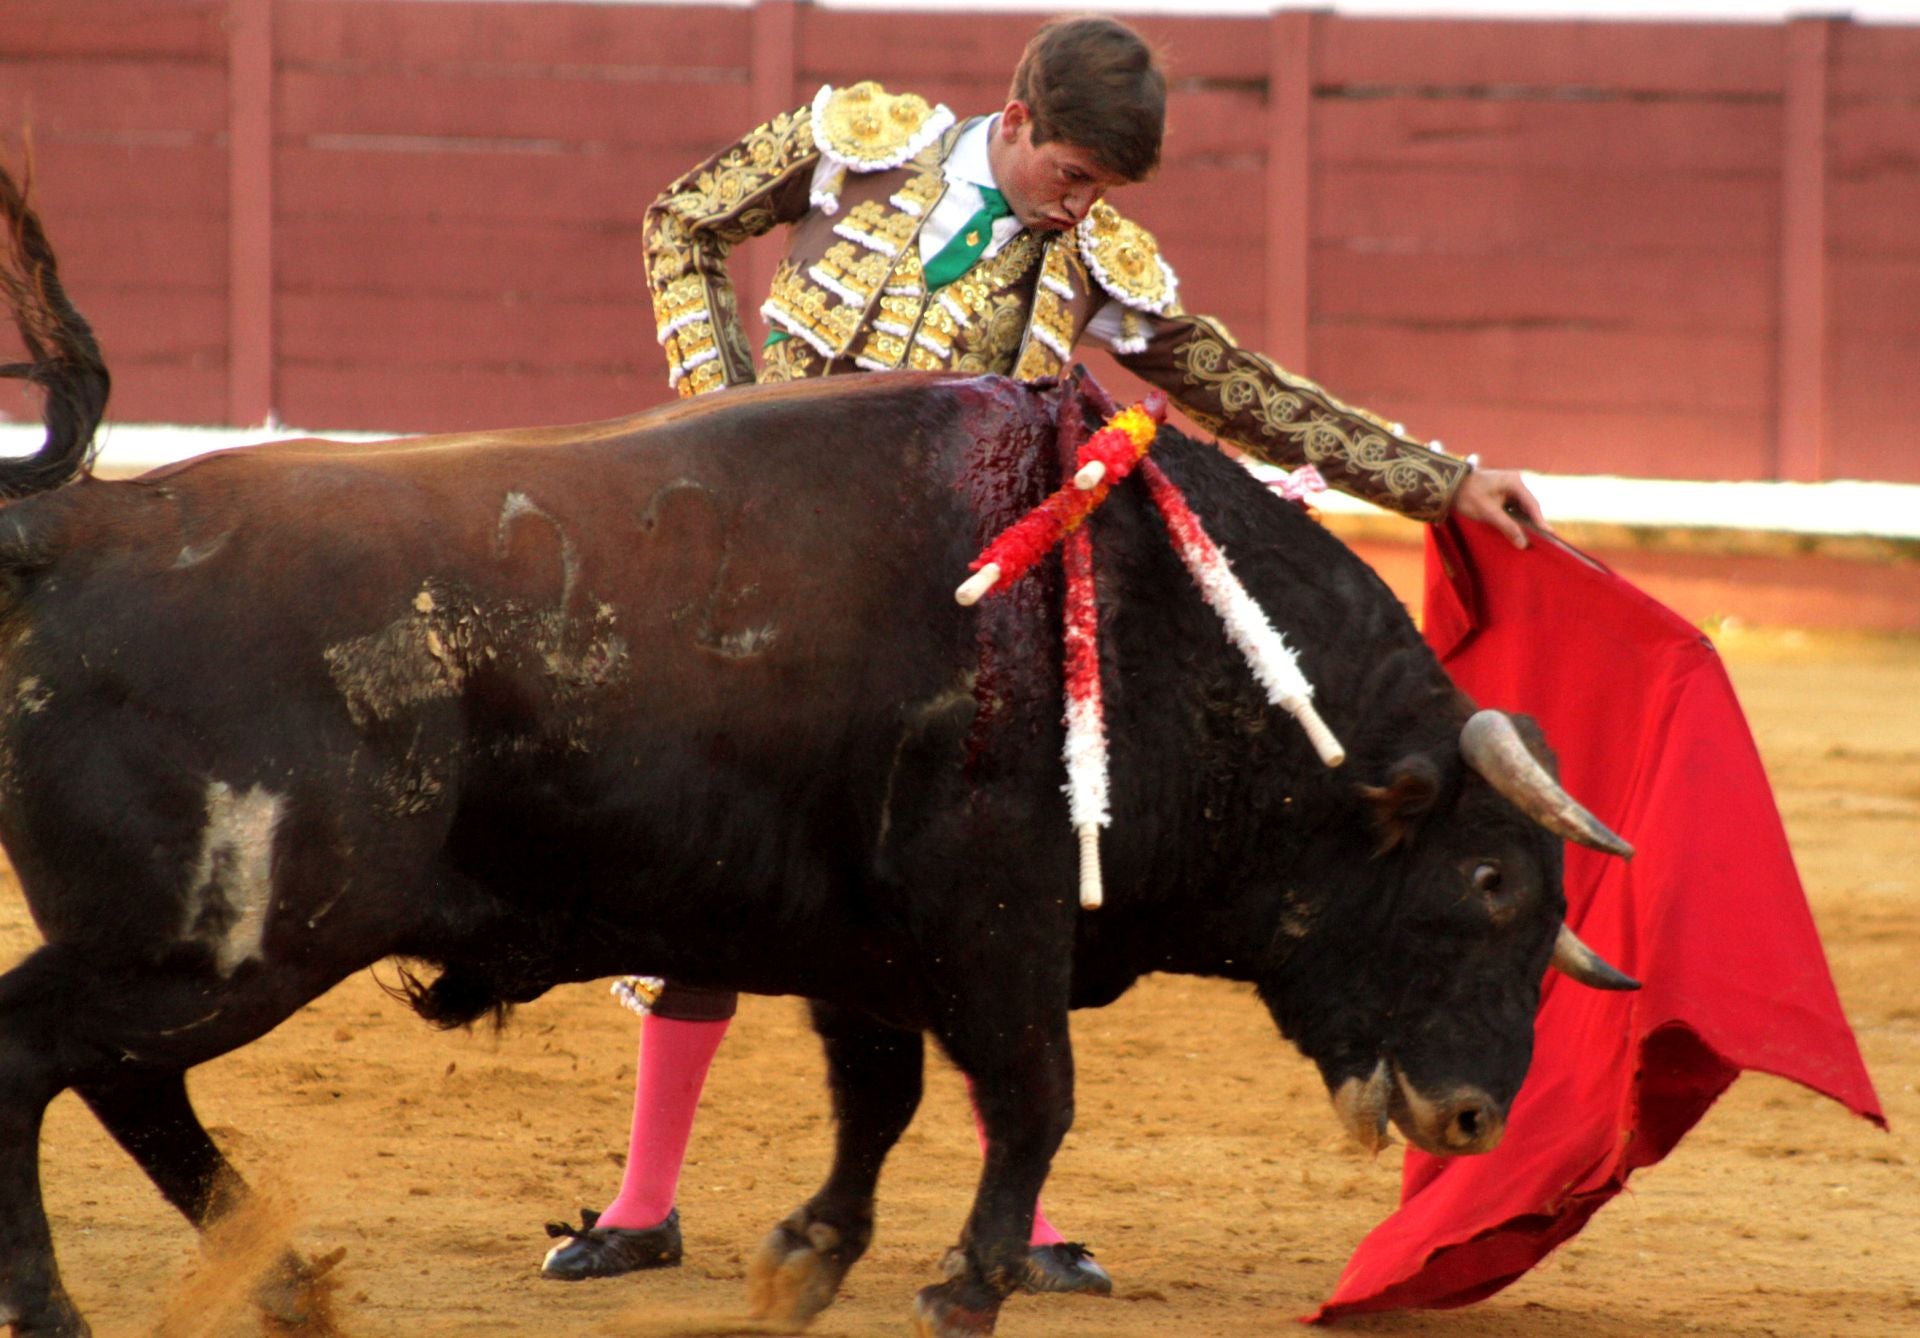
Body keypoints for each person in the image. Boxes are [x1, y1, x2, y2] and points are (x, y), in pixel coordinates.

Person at [540, 12, 1547, 1296]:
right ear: (1014, 121)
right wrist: (721, 421)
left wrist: (1440, 481)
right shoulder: (856, 148)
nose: (1081, 206)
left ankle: (1017, 1217)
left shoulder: (1092, 259)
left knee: (986, 901)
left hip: (937, 630)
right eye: (1071, 174)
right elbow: (680, 223)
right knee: (712, 871)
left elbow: (1248, 392)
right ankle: (642, 1206)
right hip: (763, 587)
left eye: (1103, 189)